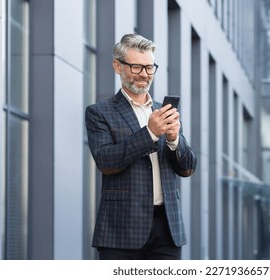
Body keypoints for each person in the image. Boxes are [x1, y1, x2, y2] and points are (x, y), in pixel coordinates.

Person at [85, 34, 197, 260]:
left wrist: (175, 139)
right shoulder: (99, 112)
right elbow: (106, 162)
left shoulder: (163, 111)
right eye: (136, 67)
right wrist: (150, 133)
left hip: (167, 229)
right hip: (121, 231)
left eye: (149, 68)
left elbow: (187, 169)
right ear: (118, 66)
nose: (144, 75)